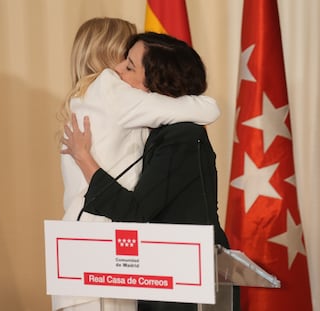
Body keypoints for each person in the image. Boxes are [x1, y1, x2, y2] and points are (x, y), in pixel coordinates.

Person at [62, 32, 238, 311]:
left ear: (157, 84)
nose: (117, 71)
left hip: (187, 286)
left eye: (130, 66)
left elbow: (136, 212)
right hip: (166, 276)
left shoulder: (181, 136)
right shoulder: (161, 131)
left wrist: (84, 159)